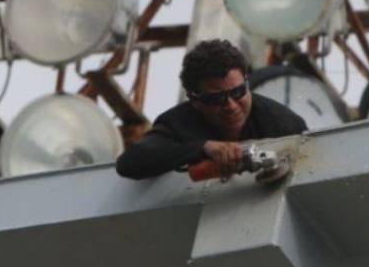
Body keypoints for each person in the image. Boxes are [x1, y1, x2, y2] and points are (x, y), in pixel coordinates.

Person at [115, 39, 307, 180]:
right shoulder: (178, 122)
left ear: (247, 84)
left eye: (238, 92)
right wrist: (204, 148)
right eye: (216, 99)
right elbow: (130, 163)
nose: (231, 106)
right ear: (194, 100)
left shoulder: (281, 122)